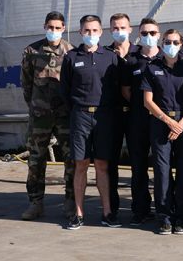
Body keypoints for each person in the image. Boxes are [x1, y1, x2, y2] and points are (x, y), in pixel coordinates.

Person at [59, 15, 120, 230]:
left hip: (104, 116)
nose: (91, 34)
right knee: (81, 165)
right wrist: (78, 108)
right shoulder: (71, 57)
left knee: (102, 166)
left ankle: (107, 213)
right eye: (87, 30)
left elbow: (115, 88)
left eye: (95, 30)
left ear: (101, 32)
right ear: (80, 32)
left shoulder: (110, 57)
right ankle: (78, 214)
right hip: (80, 116)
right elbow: (65, 90)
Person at [141, 29, 183, 234]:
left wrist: (180, 124)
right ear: (162, 42)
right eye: (168, 41)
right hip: (160, 123)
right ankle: (165, 217)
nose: (172, 45)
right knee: (162, 172)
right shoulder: (152, 68)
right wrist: (168, 121)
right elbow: (147, 101)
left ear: (181, 44)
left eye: (176, 42)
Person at [21, 11, 76, 221]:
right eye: (50, 27)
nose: (53, 31)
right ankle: (36, 203)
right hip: (39, 116)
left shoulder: (71, 52)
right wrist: (34, 106)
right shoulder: (32, 51)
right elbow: (26, 82)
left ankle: (70, 201)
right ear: (45, 27)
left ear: (63, 28)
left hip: (64, 115)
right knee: (36, 160)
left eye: (57, 27)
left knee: (71, 158)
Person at [121, 17, 163, 225]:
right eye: (144, 33)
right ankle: (140, 208)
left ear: (159, 35)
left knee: (162, 165)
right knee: (138, 166)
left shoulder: (167, 58)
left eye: (152, 33)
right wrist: (142, 104)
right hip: (137, 118)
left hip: (161, 119)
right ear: (139, 35)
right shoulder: (131, 60)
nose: (148, 37)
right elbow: (126, 89)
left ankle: (164, 206)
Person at [103, 13, 140, 216]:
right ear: (110, 31)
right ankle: (112, 207)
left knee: (138, 161)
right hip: (112, 115)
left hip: (135, 114)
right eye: (115, 28)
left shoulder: (139, 53)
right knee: (110, 163)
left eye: (123, 27)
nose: (119, 31)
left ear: (130, 29)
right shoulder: (105, 54)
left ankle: (139, 207)